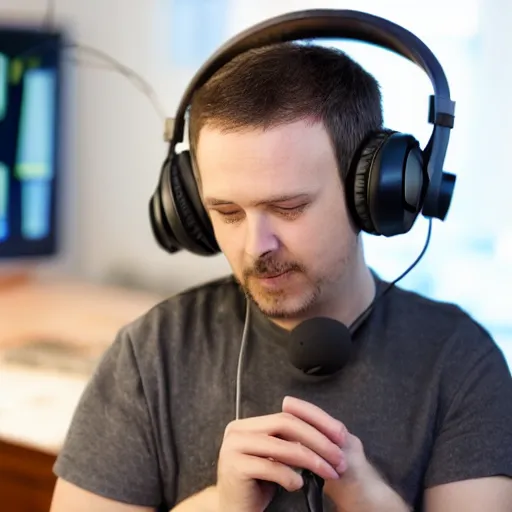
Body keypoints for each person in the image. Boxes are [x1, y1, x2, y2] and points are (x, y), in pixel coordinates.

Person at [49, 42, 512, 512]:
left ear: (375, 194)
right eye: (227, 212)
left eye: (288, 208)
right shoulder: (151, 354)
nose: (256, 246)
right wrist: (224, 504)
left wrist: (362, 495)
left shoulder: (459, 362)